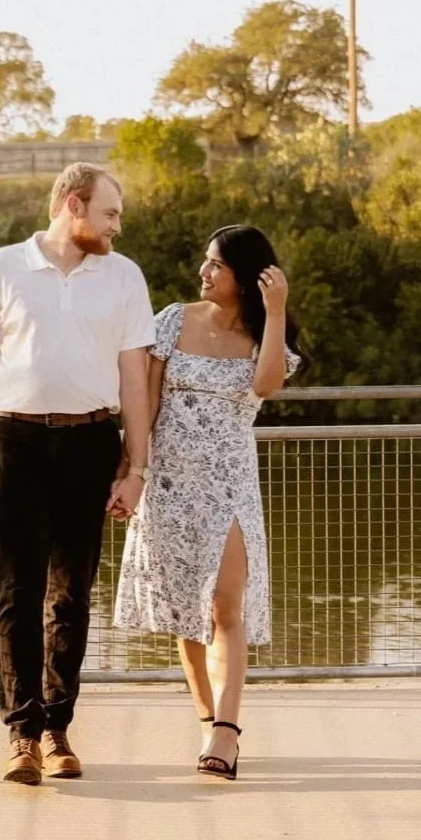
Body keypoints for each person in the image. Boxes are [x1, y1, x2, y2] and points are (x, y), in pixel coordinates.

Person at [0, 163, 155, 786]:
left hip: (91, 442)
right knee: (17, 593)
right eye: (109, 214)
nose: (117, 227)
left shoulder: (123, 276)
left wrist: (136, 464)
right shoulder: (1, 267)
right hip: (13, 441)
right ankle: (21, 735)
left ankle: (57, 729)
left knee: (71, 594)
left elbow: (133, 376)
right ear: (74, 204)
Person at [114, 224, 302, 780]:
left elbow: (265, 385)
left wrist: (275, 309)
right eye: (205, 262)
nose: (204, 272)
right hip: (169, 481)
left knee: (225, 604)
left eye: (216, 265)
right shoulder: (173, 319)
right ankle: (205, 720)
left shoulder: (267, 332)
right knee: (185, 610)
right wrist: (135, 470)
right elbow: (144, 401)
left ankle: (228, 730)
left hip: (229, 486)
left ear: (245, 276)